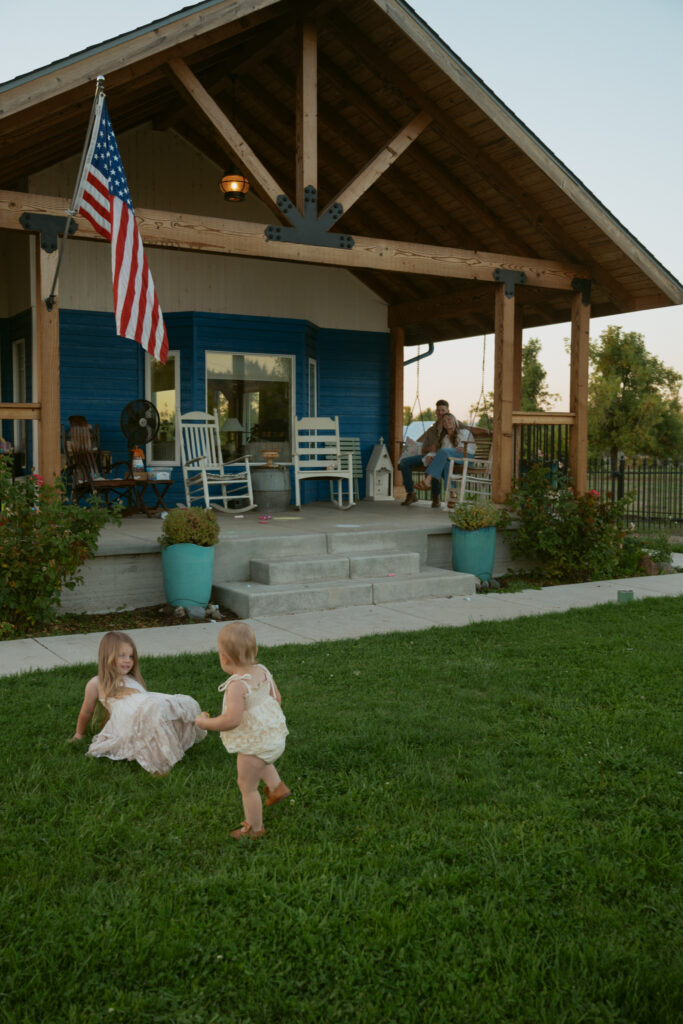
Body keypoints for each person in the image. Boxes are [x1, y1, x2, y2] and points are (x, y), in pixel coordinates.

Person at [195, 622, 290, 841]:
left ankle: (254, 829)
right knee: (261, 756)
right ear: (255, 651)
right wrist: (264, 720)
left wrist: (204, 724)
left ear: (224, 658)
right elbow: (276, 698)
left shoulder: (236, 686)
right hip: (274, 738)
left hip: (255, 744)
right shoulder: (263, 670)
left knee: (247, 786)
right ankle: (277, 787)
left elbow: (232, 720)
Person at [70, 631, 205, 775]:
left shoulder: (132, 678)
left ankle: (177, 736)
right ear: (107, 656)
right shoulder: (96, 683)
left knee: (183, 702)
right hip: (129, 718)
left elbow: (142, 698)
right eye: (122, 655)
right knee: (152, 708)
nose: (128, 660)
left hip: (146, 706)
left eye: (131, 656)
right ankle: (157, 764)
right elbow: (86, 711)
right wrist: (79, 734)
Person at [399, 398, 450, 508]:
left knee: (434, 463)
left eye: (443, 410)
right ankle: (411, 493)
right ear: (436, 412)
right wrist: (429, 449)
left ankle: (436, 497)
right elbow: (423, 448)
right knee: (403, 463)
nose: (440, 413)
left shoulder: (451, 426)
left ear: (448, 411)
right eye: (438, 410)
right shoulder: (431, 430)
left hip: (442, 457)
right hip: (427, 455)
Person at [415, 413, 476, 495]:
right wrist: (432, 457)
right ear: (443, 425)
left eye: (449, 419)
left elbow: (473, 447)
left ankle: (428, 480)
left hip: (467, 457)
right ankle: (451, 494)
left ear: (454, 421)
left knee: (444, 451)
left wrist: (464, 448)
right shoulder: (445, 438)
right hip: (454, 460)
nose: (446, 422)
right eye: (444, 421)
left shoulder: (464, 432)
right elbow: (442, 454)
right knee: (447, 463)